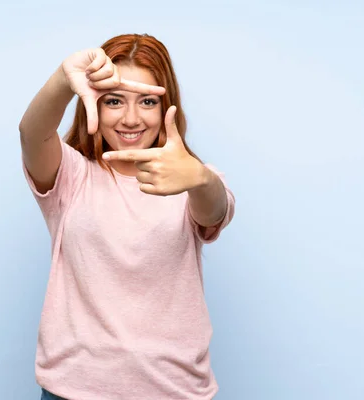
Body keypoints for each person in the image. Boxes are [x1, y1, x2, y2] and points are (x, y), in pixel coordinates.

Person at [19, 33, 235, 400]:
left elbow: (216, 209)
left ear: (168, 108)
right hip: (72, 391)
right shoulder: (72, 176)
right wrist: (62, 78)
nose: (131, 119)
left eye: (148, 101)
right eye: (114, 100)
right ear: (94, 104)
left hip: (174, 391)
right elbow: (32, 133)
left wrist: (199, 178)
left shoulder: (193, 180)